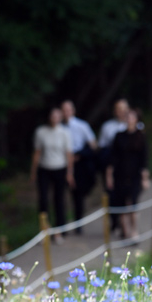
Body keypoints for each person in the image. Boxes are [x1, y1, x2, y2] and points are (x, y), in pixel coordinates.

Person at [30, 108, 74, 244]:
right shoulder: (41, 132)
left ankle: (59, 231)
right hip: (44, 169)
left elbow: (68, 154)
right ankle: (44, 230)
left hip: (60, 169)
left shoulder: (64, 132)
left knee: (59, 200)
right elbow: (37, 152)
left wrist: (70, 173)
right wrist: (33, 172)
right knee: (43, 200)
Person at [106, 109, 150, 242]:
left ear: (137, 119)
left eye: (132, 117)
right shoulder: (119, 136)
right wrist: (109, 175)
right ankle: (125, 232)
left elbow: (144, 159)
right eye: (128, 117)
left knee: (133, 203)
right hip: (120, 174)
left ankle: (134, 231)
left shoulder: (141, 136)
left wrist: (145, 178)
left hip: (135, 175)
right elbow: (112, 157)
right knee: (122, 204)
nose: (130, 120)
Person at [60, 100, 97, 234]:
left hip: (79, 163)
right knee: (61, 195)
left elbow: (93, 145)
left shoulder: (82, 126)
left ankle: (78, 224)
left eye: (68, 110)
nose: (66, 113)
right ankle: (62, 226)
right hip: (62, 163)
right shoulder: (59, 127)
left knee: (78, 195)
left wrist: (80, 155)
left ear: (73, 111)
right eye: (64, 110)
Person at [98, 99, 130, 233]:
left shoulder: (134, 125)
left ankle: (126, 226)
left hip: (127, 167)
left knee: (127, 195)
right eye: (118, 108)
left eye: (123, 108)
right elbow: (102, 147)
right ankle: (114, 221)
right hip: (112, 165)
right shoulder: (107, 127)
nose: (121, 112)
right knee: (111, 194)